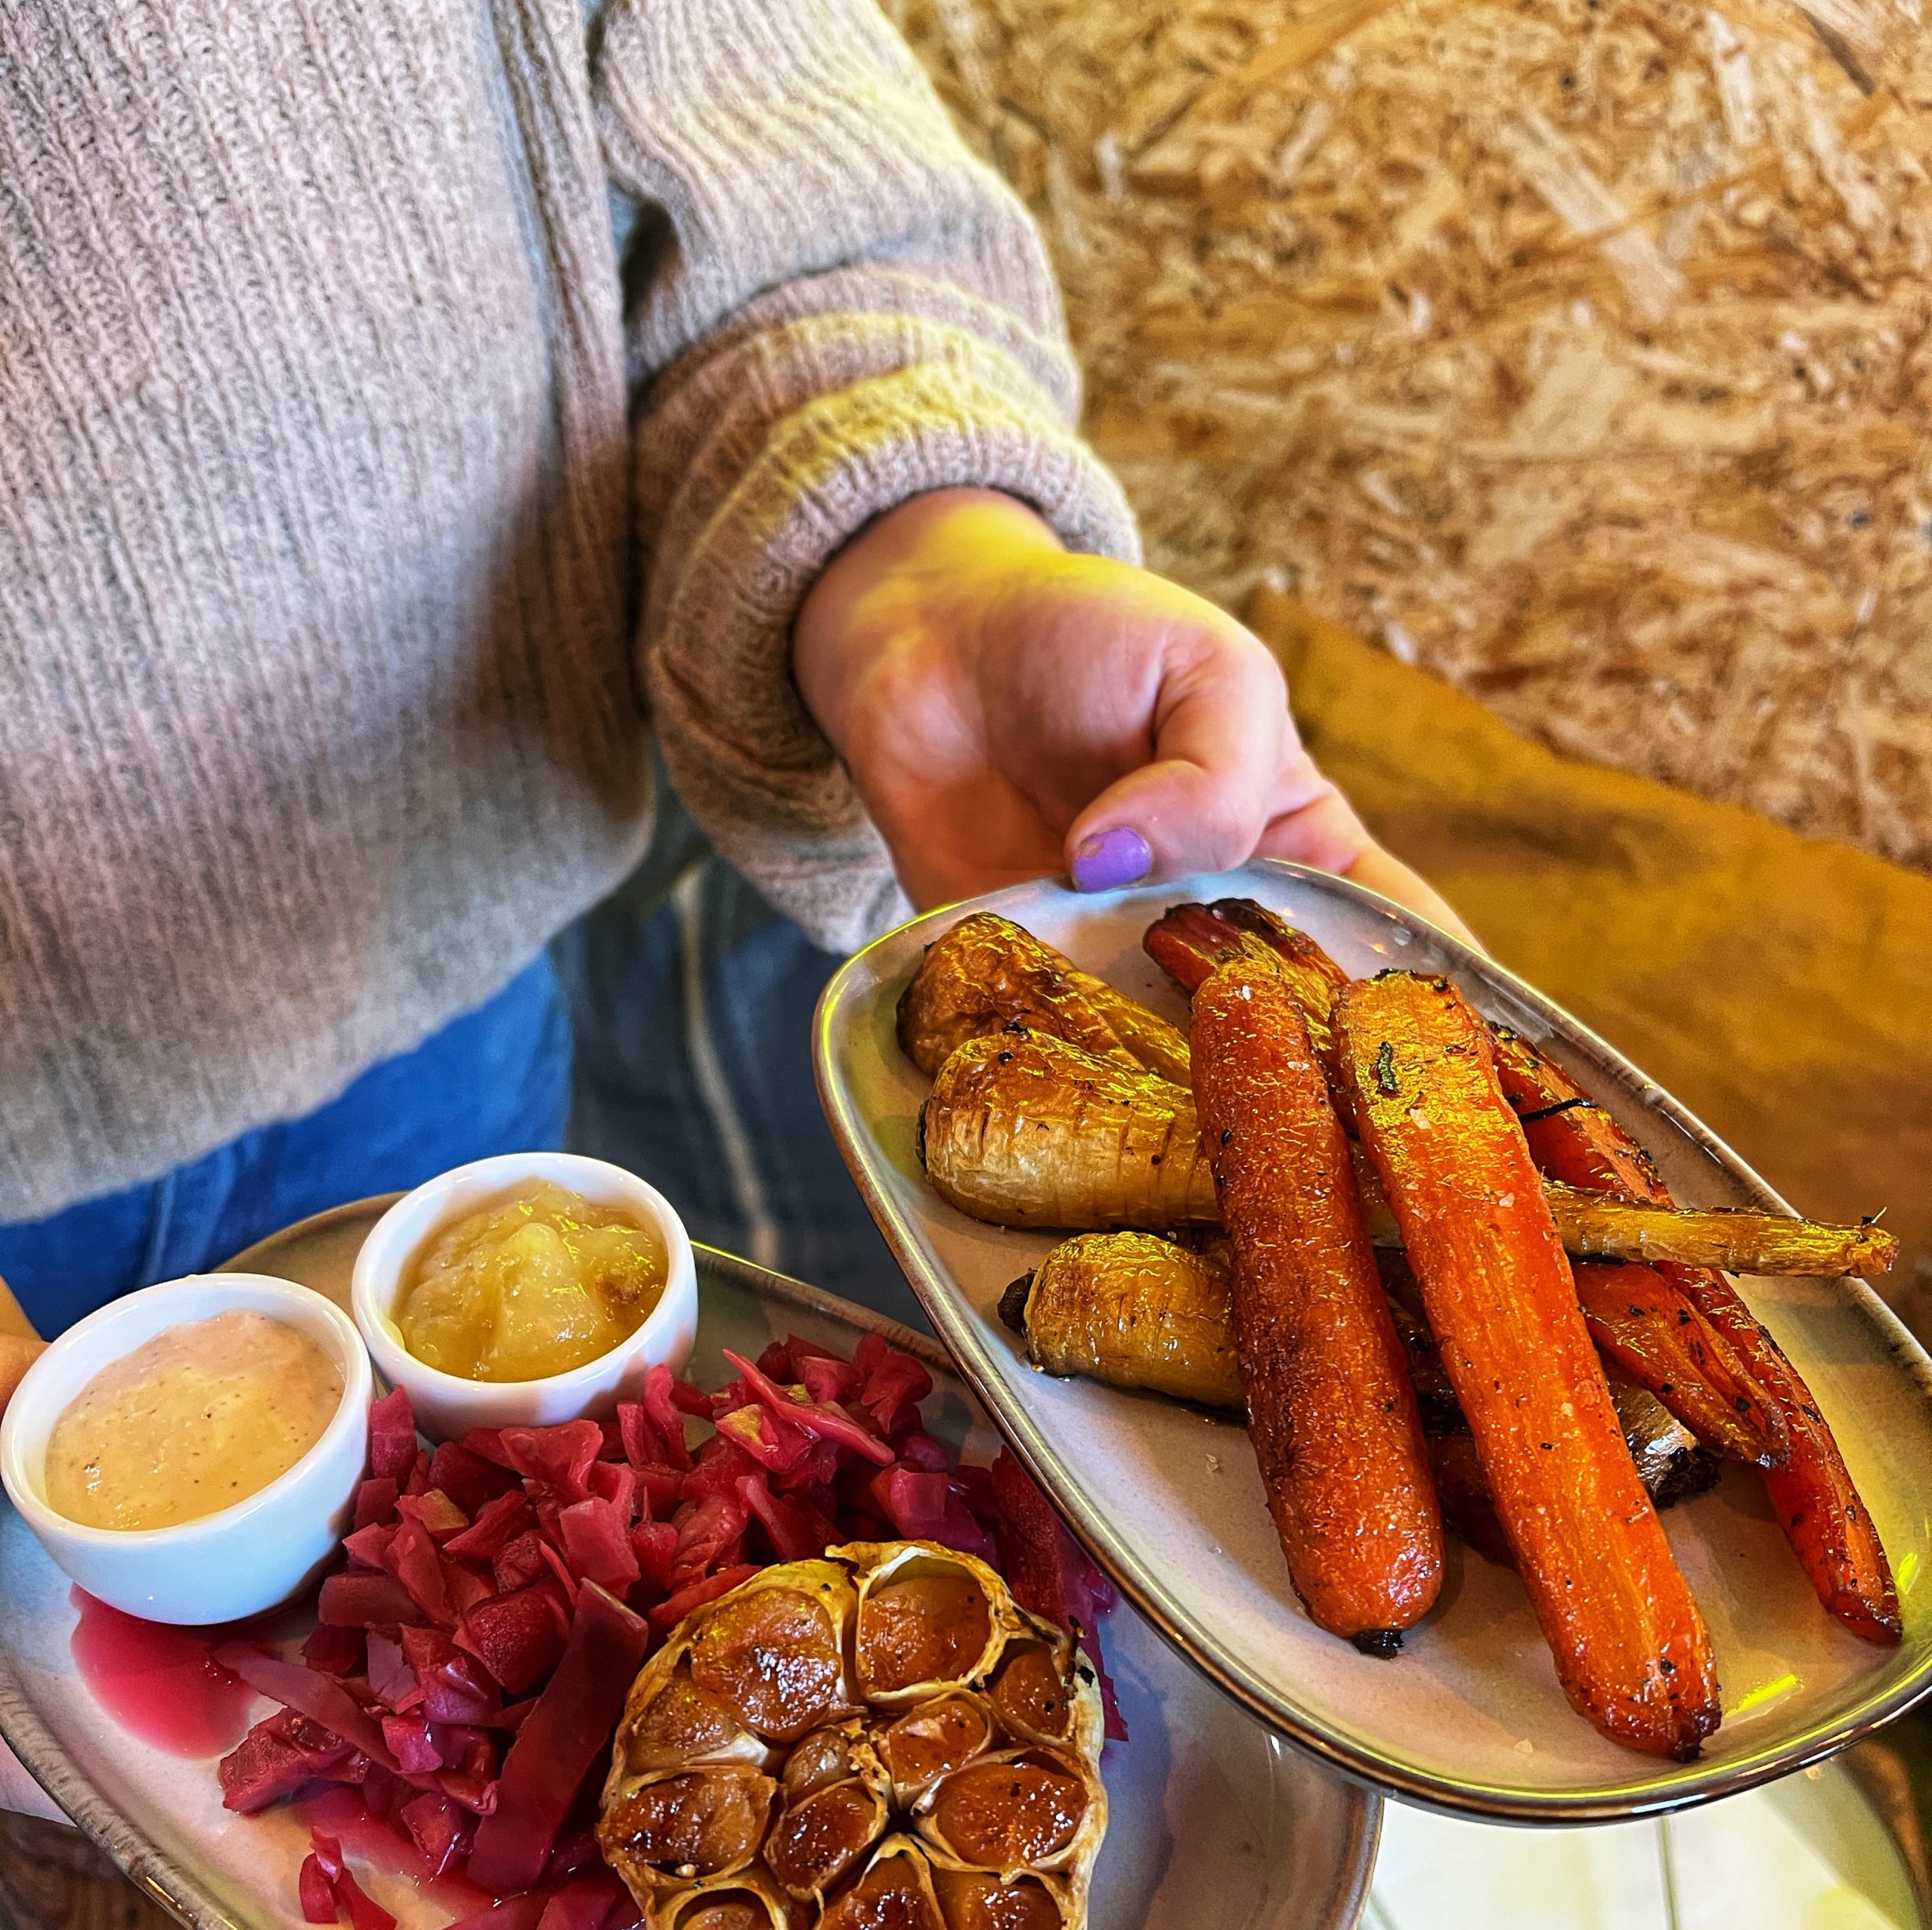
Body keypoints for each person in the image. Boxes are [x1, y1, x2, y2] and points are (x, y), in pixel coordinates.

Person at [0, 2, 1459, 1810]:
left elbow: (761, 172)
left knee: (400, 1713)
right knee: (104, 1832)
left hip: (436, 1002)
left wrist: (916, 576)